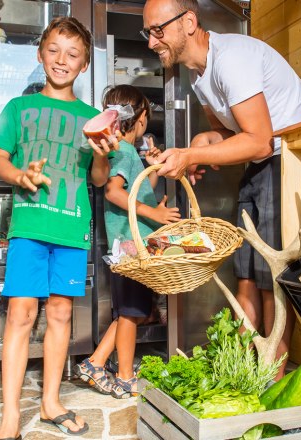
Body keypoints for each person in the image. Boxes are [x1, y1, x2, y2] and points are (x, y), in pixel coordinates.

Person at [142, 0, 301, 377]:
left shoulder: (231, 59)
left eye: (157, 30)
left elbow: (259, 140)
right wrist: (201, 146)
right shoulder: (199, 74)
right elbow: (232, 133)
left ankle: (270, 378)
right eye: (149, 32)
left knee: (272, 276)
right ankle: (239, 370)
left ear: (188, 22)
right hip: (264, 161)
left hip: (293, 158)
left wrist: (191, 154)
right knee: (246, 273)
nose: (151, 42)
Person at [0, 17, 117, 439]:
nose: (62, 60)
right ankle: (10, 418)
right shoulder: (18, 109)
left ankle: (50, 402)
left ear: (84, 65)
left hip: (71, 227)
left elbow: (98, 179)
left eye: (73, 54)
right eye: (55, 50)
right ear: (40, 53)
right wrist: (21, 175)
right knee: (20, 315)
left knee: (60, 313)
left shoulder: (93, 117)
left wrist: (101, 154)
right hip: (29, 224)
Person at [75, 85, 180, 398]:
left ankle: (94, 363)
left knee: (129, 312)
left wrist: (152, 166)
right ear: (143, 117)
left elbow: (139, 186)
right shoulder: (120, 149)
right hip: (129, 247)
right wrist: (154, 213)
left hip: (131, 246)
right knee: (132, 313)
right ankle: (123, 376)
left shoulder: (126, 151)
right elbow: (114, 192)